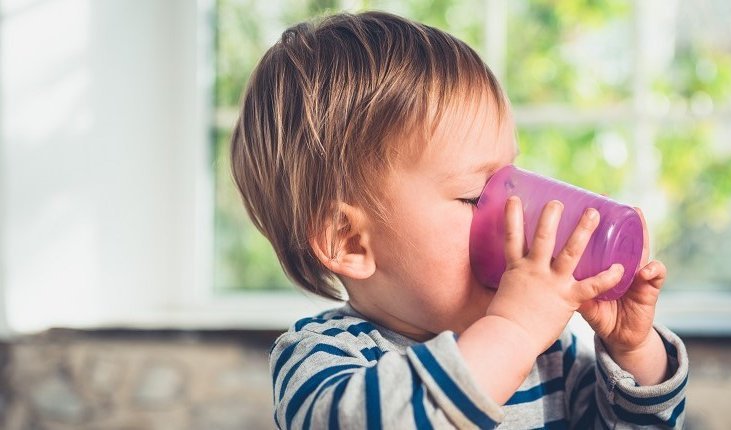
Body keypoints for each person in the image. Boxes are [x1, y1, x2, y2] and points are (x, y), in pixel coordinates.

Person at [230, 11, 687, 429]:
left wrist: (634, 353)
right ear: (350, 242)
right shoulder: (321, 358)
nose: (511, 216)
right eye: (475, 196)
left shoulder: (550, 351)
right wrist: (513, 331)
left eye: (511, 182)